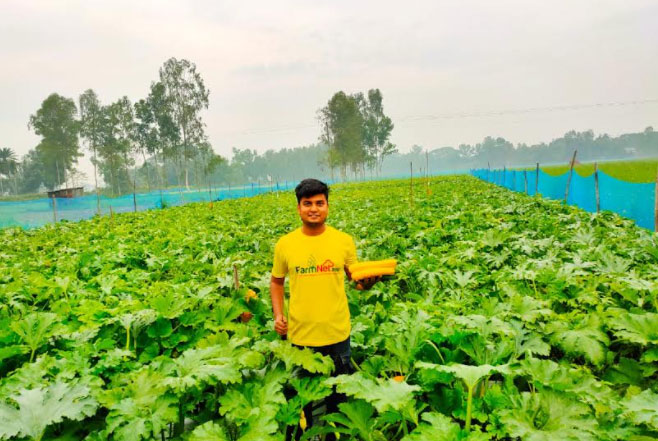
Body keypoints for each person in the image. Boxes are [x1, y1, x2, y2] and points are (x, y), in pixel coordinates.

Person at [270, 178, 378, 440]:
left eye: (320, 203)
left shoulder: (343, 241)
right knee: (307, 404)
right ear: (298, 208)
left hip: (337, 335)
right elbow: (276, 282)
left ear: (328, 206)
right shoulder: (286, 244)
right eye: (308, 204)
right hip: (301, 338)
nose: (314, 208)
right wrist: (278, 315)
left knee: (338, 403)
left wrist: (368, 283)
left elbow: (356, 282)